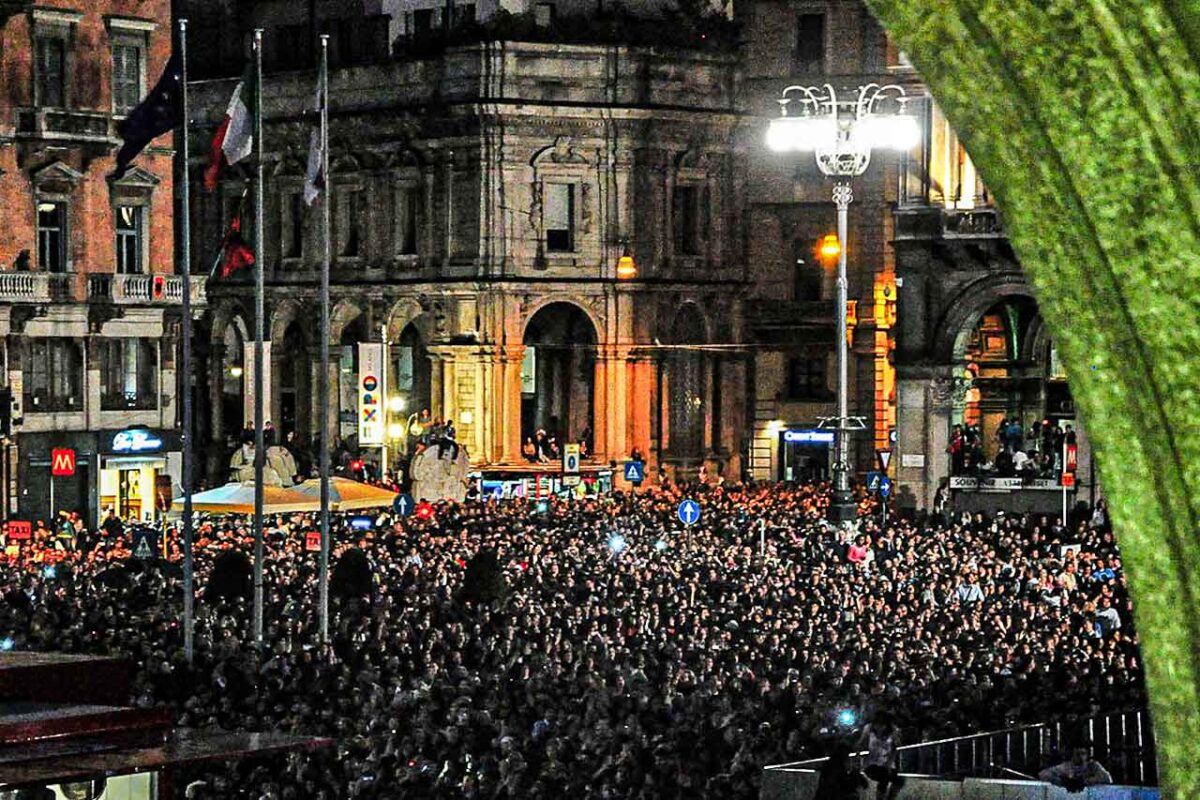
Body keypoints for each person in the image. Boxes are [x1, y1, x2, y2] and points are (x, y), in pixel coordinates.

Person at [859, 712, 904, 800]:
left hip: (888, 765)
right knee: (884, 778)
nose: (879, 728)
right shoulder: (868, 728)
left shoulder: (892, 730)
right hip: (872, 765)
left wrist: (889, 762)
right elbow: (861, 742)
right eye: (877, 726)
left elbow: (897, 747)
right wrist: (858, 754)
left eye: (882, 726)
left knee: (899, 781)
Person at [1038, 743, 1112, 791]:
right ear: (1072, 756)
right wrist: (1063, 781)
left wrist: (1085, 781)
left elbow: (1107, 778)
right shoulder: (1066, 767)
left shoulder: (1093, 766)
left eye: (1083, 754)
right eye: (1077, 754)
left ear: (1087, 755)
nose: (1080, 757)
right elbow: (1043, 774)